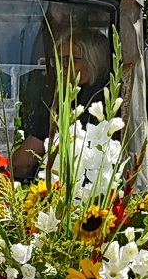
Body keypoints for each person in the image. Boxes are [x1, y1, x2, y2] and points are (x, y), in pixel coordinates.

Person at [11, 26, 113, 179]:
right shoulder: (109, 98)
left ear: (93, 61)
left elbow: (21, 163)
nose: (61, 69)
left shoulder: (60, 105)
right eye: (57, 61)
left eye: (67, 61)